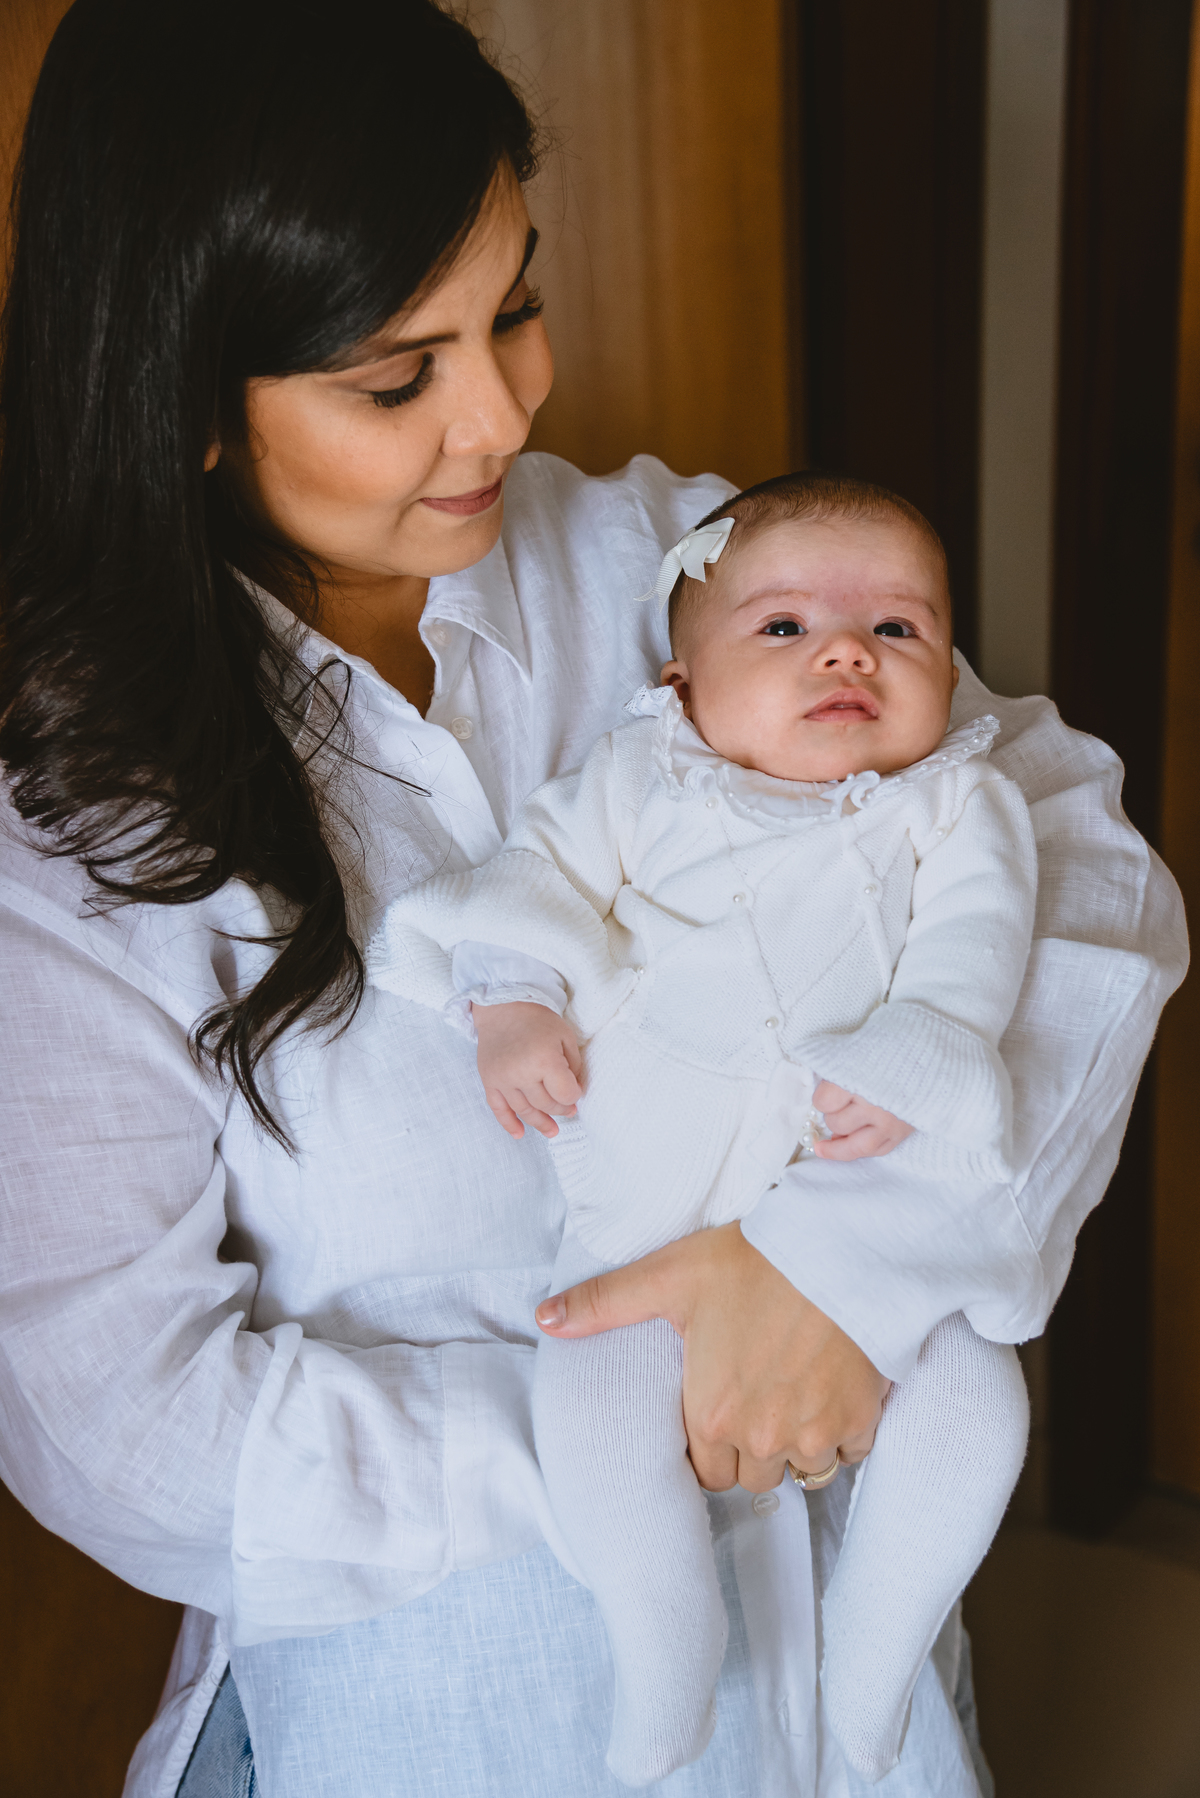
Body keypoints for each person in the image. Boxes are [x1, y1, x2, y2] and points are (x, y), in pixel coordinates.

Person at [0, 3, 1184, 1796]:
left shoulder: (663, 563)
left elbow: (1083, 862)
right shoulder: (67, 819)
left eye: (515, 307)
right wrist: (638, 1407)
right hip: (442, 1709)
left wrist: (841, 1280)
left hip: (837, 1679)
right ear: (182, 393)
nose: (500, 412)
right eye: (396, 376)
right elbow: (122, 1422)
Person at [369, 472, 1035, 1785]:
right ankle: (664, 1651)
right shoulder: (641, 773)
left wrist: (915, 1058)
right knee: (592, 1423)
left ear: (953, 674)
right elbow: (532, 880)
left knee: (982, 1407)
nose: (846, 649)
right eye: (781, 629)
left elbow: (980, 944)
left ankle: (875, 1666)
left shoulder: (955, 802)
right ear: (682, 676)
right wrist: (514, 1003)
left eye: (900, 631)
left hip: (869, 1258)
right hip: (645, 1239)